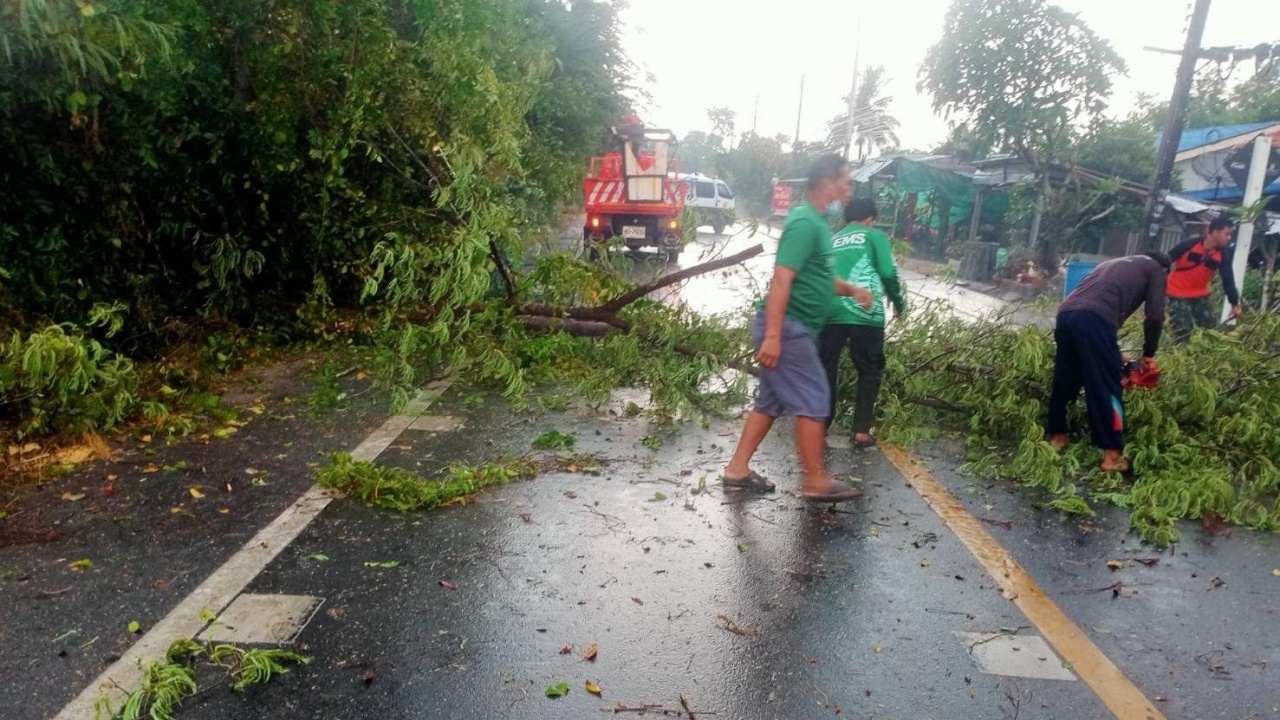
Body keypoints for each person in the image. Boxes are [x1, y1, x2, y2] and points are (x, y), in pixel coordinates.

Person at [721, 154, 873, 502]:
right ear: (827, 182)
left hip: (791, 328)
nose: (849, 188)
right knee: (815, 399)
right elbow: (782, 278)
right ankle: (815, 480)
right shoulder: (805, 222)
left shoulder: (819, 224)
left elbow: (817, 277)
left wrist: (851, 289)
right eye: (845, 181)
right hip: (789, 329)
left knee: (769, 402)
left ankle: (737, 469)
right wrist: (773, 336)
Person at [1046, 252, 1171, 473]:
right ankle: (1112, 456)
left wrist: (1113, 354)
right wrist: (1148, 353)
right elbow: (1154, 316)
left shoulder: (1112, 263)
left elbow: (1089, 309)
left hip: (1066, 315)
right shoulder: (1156, 270)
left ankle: (1058, 437)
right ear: (1166, 270)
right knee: (1106, 386)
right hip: (1095, 321)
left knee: (1065, 379)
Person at [819, 199, 906, 449]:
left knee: (826, 368)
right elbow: (888, 274)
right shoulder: (873, 236)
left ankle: (820, 426)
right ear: (870, 218)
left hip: (831, 311)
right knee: (869, 369)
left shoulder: (833, 240)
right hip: (864, 311)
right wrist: (899, 304)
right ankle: (860, 431)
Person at [1167, 216, 1241, 343]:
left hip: (1200, 294)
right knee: (1183, 331)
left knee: (1211, 330)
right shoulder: (1189, 244)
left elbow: (1228, 279)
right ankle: (1180, 356)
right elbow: (1166, 260)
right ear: (1215, 232)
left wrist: (1234, 304)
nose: (1229, 238)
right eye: (1227, 234)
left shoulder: (1223, 254)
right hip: (1177, 292)